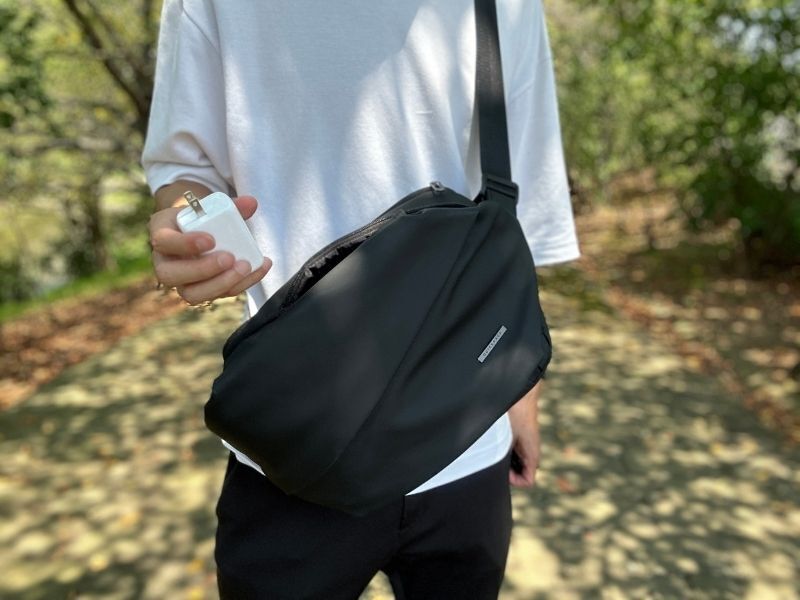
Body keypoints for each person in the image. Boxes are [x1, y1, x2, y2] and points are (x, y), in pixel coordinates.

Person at [142, 0, 579, 598]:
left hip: (468, 445)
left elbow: (519, 207)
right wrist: (185, 222)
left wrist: (521, 392)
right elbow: (183, 165)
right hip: (292, 455)